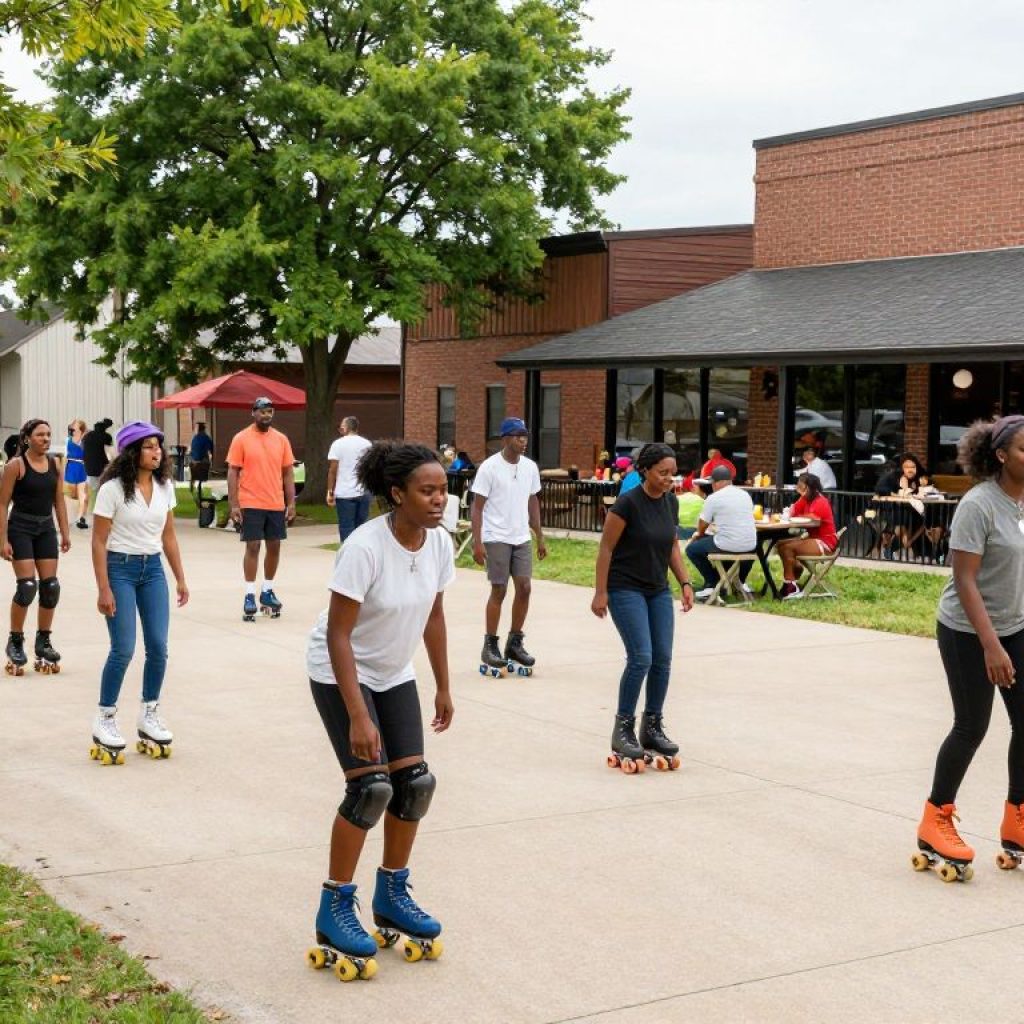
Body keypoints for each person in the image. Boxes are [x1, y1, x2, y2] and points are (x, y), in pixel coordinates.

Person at [305, 441, 453, 977]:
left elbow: (433, 616)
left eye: (443, 489)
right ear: (397, 494)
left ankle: (391, 894)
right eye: (427, 491)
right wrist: (358, 715)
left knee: (414, 783)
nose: (439, 499)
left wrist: (443, 685)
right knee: (370, 789)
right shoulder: (364, 547)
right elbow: (339, 635)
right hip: (341, 669)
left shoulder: (439, 543)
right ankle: (335, 906)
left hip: (394, 672)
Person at [914, 415, 1024, 881]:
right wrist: (991, 646)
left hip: (1015, 625)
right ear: (1001, 455)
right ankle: (935, 820)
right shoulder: (979, 505)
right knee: (971, 726)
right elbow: (965, 579)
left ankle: (1017, 818)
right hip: (966, 630)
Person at [89, 422, 188, 765]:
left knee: (159, 647)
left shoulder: (165, 487)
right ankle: (105, 717)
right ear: (132, 452)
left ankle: (149, 713)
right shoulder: (113, 490)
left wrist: (180, 578)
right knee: (123, 649)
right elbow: (98, 541)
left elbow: (169, 535)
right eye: (148, 446)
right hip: (120, 569)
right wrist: (103, 588)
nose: (156, 451)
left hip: (153, 571)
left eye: (158, 446)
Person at [591, 442, 694, 772]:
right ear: (645, 471)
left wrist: (685, 582)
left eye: (672, 473)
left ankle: (652, 727)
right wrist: (600, 592)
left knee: (662, 658)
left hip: (658, 589)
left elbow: (672, 546)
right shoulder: (627, 503)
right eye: (662, 473)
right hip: (625, 588)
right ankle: (623, 729)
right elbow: (606, 548)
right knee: (641, 658)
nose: (669, 479)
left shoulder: (670, 502)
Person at [470, 417, 547, 676]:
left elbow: (533, 501)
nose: (523, 441)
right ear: (505, 439)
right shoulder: (489, 468)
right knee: (499, 588)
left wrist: (539, 535)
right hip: (495, 536)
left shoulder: (530, 467)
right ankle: (490, 645)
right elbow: (477, 507)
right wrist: (477, 542)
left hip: (520, 536)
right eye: (517, 436)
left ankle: (515, 643)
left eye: (525, 436)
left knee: (524, 587)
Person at [0, 419, 71, 675]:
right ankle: (15, 640)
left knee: (51, 587)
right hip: (20, 528)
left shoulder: (55, 464)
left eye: (48, 434)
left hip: (45, 529)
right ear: (27, 438)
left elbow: (58, 500)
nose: (46, 439)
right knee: (27, 587)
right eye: (40, 435)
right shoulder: (15, 466)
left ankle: (44, 641)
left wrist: (65, 532)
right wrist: (2, 539)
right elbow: (2, 504)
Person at [227, 397, 296, 622]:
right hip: (250, 501)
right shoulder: (241, 438)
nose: (266, 415)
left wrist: (291, 503)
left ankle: (267, 591)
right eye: (262, 411)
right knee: (253, 546)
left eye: (270, 412)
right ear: (253, 413)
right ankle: (249, 595)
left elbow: (288, 473)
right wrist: (234, 504)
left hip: (275, 502)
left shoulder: (281, 439)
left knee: (274, 546)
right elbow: (233, 472)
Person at [685, 465, 757, 601]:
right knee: (720, 542)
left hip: (728, 544)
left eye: (712, 483)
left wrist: (699, 534)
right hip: (751, 544)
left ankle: (712, 583)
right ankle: (737, 581)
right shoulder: (745, 495)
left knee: (692, 549)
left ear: (717, 483)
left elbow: (703, 523)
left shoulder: (714, 498)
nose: (712, 486)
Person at [775, 473, 838, 599]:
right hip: (813, 539)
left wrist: (796, 515)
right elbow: (794, 511)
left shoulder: (821, 501)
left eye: (801, 487)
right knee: (780, 545)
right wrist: (795, 507)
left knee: (787, 548)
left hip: (824, 543)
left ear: (809, 488)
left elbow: (813, 518)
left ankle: (790, 586)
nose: (799, 489)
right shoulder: (806, 499)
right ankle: (795, 573)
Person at [327, 416, 373, 544]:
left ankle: (348, 553)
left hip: (344, 493)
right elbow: (370, 467)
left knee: (346, 528)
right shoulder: (367, 444)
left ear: (346, 427)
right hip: (363, 491)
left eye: (342, 426)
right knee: (361, 528)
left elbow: (333, 470)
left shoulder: (337, 444)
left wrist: (330, 491)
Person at [65, 419, 90, 528]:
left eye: (75, 425)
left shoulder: (85, 440)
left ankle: (80, 518)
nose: (72, 426)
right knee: (70, 494)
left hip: (82, 467)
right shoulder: (68, 439)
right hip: (71, 467)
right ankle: (70, 517)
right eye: (72, 425)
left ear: (80, 428)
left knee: (82, 495)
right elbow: (65, 454)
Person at [82, 418, 114, 493]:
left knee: (92, 491)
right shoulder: (106, 437)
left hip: (89, 468)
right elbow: (110, 452)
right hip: (101, 468)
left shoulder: (87, 436)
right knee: (103, 490)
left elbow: (83, 448)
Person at [188, 422, 214, 498]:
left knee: (194, 474)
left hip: (193, 462)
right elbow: (210, 449)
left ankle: (192, 484)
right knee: (203, 470)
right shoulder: (206, 438)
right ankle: (199, 485)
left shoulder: (194, 438)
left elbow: (192, 450)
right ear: (204, 429)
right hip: (202, 462)